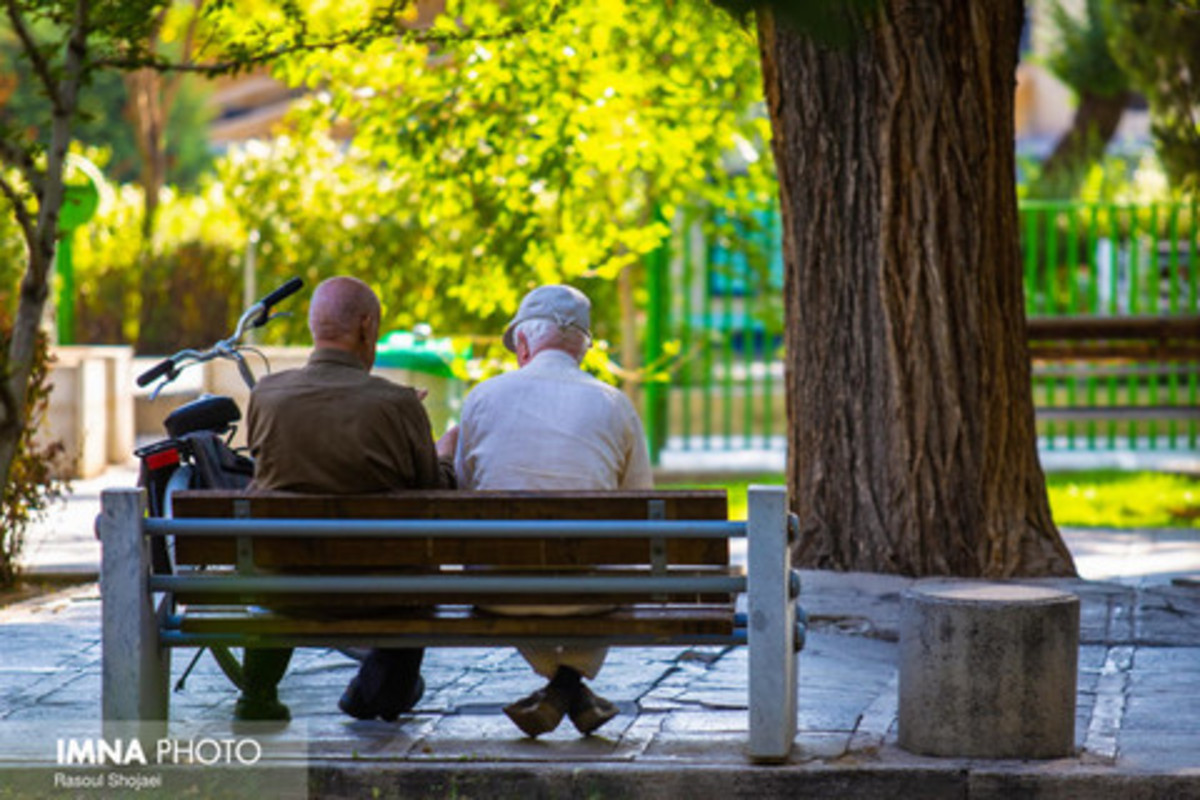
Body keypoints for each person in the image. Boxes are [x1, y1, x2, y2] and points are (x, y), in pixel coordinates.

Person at [239, 275, 456, 722]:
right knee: (414, 566)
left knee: (276, 553)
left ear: (315, 327)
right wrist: (442, 450)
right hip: (380, 592)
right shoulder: (397, 405)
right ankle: (382, 690)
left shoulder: (266, 395)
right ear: (367, 325)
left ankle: (257, 692)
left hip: (285, 586)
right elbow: (432, 493)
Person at [453, 284, 653, 737]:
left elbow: (464, 498)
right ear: (582, 346)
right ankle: (569, 684)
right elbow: (642, 510)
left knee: (498, 555)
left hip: (500, 590)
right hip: (591, 595)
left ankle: (560, 686)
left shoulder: (482, 399)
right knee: (620, 561)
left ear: (523, 342)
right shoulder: (615, 404)